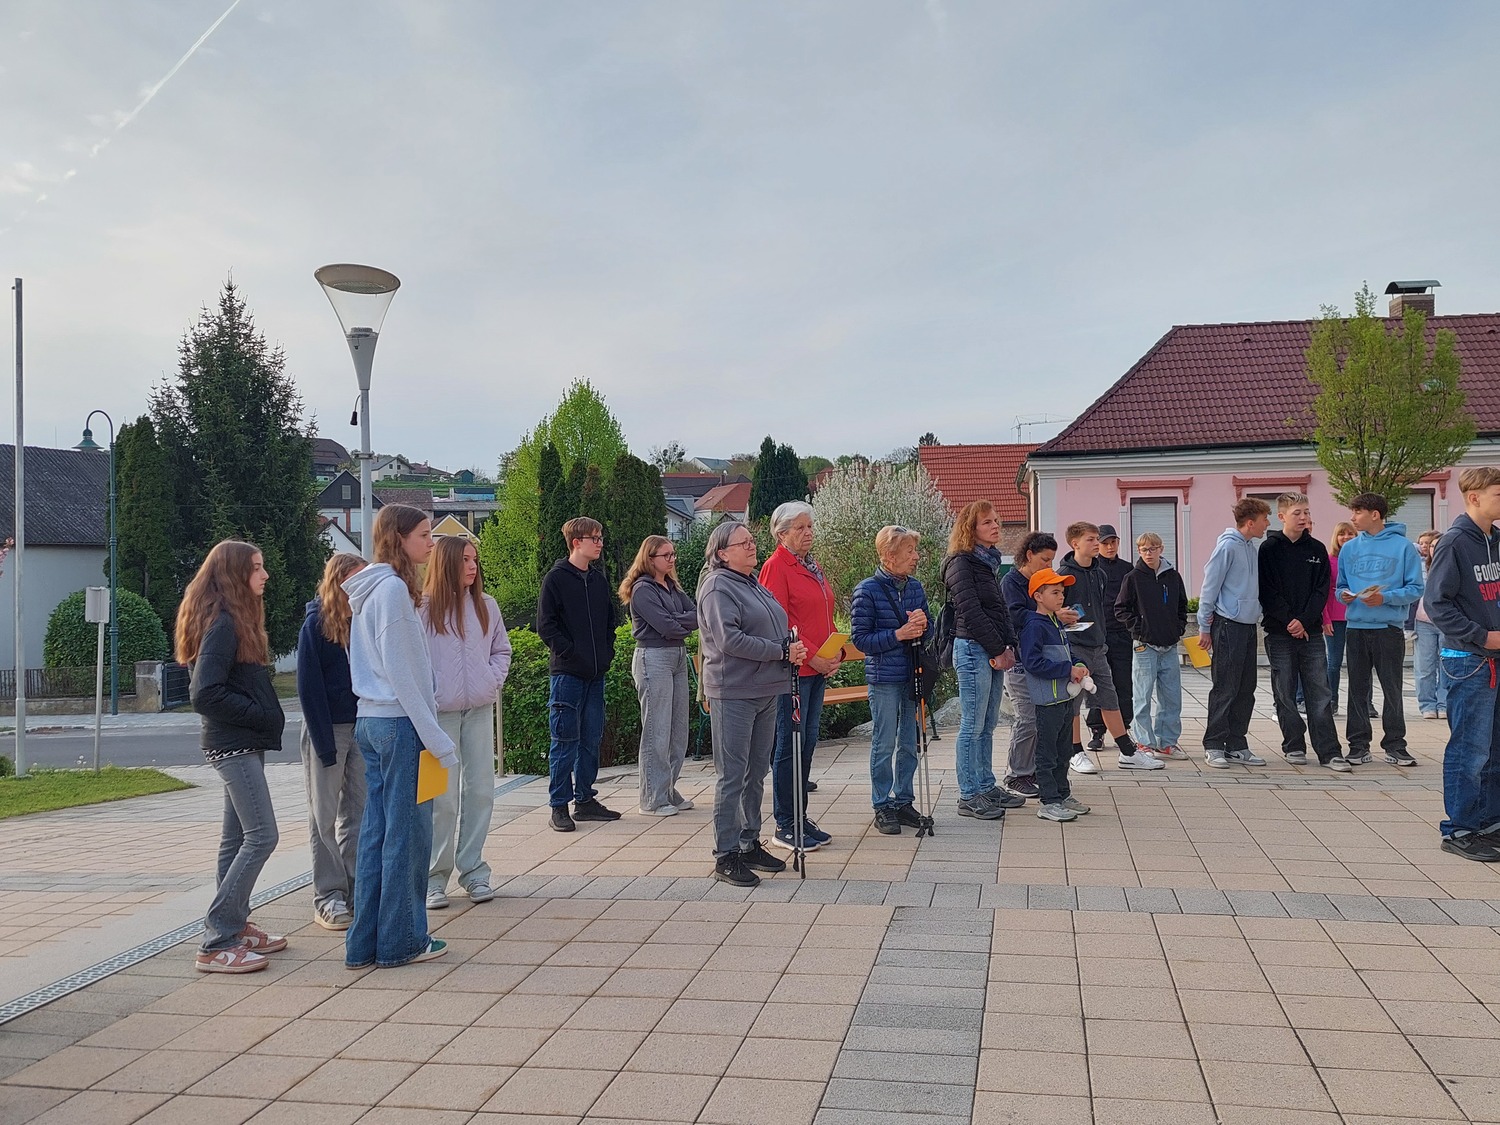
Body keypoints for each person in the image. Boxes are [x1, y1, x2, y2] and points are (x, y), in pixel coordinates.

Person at [343, 503, 457, 968]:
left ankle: (365, 944)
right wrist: (437, 739)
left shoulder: (371, 588)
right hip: (399, 723)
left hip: (372, 721)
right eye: (424, 535)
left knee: (377, 833)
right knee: (407, 837)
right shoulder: (391, 590)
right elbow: (405, 674)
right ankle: (403, 941)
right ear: (399, 538)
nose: (431, 542)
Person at [180, 540, 287, 974]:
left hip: (240, 742)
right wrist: (259, 714)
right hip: (233, 745)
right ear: (234, 574)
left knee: (236, 838)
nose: (265, 575)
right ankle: (217, 939)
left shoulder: (232, 619)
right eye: (257, 568)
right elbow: (204, 692)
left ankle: (235, 926)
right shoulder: (223, 623)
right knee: (263, 836)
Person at [697, 521, 804, 886]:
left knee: (756, 772)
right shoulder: (717, 586)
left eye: (751, 540)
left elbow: (771, 626)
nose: (751, 546)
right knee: (732, 775)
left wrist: (790, 645)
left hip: (766, 688)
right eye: (742, 543)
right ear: (722, 553)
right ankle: (725, 855)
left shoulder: (753, 582)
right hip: (734, 691)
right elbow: (730, 640)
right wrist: (780, 651)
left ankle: (748, 842)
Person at [422, 536, 513, 909]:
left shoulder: (487, 605)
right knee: (438, 799)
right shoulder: (422, 608)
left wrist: (491, 680)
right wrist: (430, 693)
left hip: (478, 711)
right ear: (445, 563)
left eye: (475, 559)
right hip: (435, 718)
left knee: (481, 792)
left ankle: (474, 871)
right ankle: (432, 879)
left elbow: (501, 649)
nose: (473, 566)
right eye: (464, 560)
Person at [1424, 467, 1500, 861]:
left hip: (1493, 659)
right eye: (1498, 494)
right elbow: (1436, 603)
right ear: (1474, 497)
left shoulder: (1494, 540)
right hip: (1469, 660)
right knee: (1469, 750)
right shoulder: (1454, 542)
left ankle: (1488, 821)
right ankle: (1459, 829)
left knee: (1493, 748)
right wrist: (1482, 635)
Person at [759, 501, 840, 852]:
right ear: (782, 534)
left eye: (810, 526)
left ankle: (800, 815)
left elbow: (824, 612)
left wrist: (834, 651)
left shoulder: (812, 565)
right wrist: (814, 656)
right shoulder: (776, 567)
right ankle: (785, 822)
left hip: (816, 668)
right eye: (800, 528)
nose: (808, 533)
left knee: (806, 743)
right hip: (792, 671)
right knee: (789, 744)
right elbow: (778, 621)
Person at [940, 500, 1025, 820]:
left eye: (997, 521)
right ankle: (968, 794)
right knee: (972, 725)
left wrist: (1010, 645)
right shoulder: (960, 563)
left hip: (992, 649)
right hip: (973, 649)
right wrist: (997, 650)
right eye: (987, 522)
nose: (996, 526)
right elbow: (971, 612)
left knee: (988, 725)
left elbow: (1000, 610)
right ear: (970, 528)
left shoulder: (987, 562)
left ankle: (986, 786)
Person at [296, 551, 367, 932]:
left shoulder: (363, 620)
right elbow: (308, 689)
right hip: (328, 728)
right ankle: (328, 895)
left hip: (362, 726)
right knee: (323, 815)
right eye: (355, 579)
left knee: (359, 811)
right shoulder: (316, 624)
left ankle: (356, 890)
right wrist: (324, 745)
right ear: (339, 581)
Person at [538, 516, 622, 832]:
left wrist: (606, 652)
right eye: (594, 538)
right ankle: (558, 806)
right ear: (576, 542)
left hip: (595, 674)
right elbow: (546, 626)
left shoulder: (598, 580)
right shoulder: (556, 579)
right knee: (565, 740)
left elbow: (610, 622)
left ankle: (585, 800)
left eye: (600, 537)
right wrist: (571, 653)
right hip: (567, 675)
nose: (600, 543)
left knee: (591, 739)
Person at [1058, 522, 1162, 772]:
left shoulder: (1099, 573)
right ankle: (1075, 752)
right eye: (1091, 539)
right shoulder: (1064, 575)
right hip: (1074, 648)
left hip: (1098, 646)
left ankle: (1128, 752)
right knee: (1073, 703)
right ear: (1075, 544)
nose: (1097, 544)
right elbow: (1053, 609)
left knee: (1109, 698)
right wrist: (1060, 616)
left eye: (1098, 539)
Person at [1258, 494, 1349, 772]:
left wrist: (1304, 620)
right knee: (1284, 691)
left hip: (1311, 633)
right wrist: (1289, 621)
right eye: (1297, 512)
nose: (1303, 517)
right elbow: (1267, 590)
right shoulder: (1269, 549)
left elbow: (1321, 591)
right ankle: (1294, 744)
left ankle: (1329, 751)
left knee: (1320, 692)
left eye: (1306, 512)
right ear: (1282, 516)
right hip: (1280, 631)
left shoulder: (1317, 549)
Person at [851, 525, 931, 835]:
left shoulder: (915, 588)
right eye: (910, 551)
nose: (916, 556)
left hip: (911, 675)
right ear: (889, 556)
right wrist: (899, 634)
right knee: (884, 743)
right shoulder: (866, 590)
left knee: (910, 743)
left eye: (914, 550)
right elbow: (861, 640)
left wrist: (924, 625)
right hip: (883, 678)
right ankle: (882, 804)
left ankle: (904, 801)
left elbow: (929, 630)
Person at [1336, 492, 1424, 767]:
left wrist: (1385, 598)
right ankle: (1358, 746)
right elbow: (1340, 586)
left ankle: (1396, 746)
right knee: (1357, 689)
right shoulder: (1349, 548)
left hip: (1388, 628)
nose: (1352, 518)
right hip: (1355, 627)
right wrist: (1344, 596)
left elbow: (1416, 588)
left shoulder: (1404, 547)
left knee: (1392, 688)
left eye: (1358, 512)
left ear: (1375, 514)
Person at [621, 534, 698, 816]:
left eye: (673, 554)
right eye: (666, 555)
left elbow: (697, 615)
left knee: (678, 730)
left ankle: (667, 789)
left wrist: (678, 621)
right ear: (650, 558)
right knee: (658, 730)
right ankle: (652, 798)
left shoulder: (672, 587)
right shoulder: (643, 589)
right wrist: (679, 622)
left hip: (677, 656)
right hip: (653, 657)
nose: (672, 559)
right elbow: (666, 626)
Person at [999, 532, 1080, 798]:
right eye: (1045, 560)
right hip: (1020, 663)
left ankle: (1033, 770)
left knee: (1041, 720)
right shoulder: (1011, 582)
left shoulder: (1042, 590)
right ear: (1029, 555)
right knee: (1028, 718)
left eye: (1051, 560)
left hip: (1039, 663)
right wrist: (1051, 614)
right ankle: (1017, 774)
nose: (1048, 565)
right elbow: (1014, 616)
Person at [1198, 498, 1272, 768]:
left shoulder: (1251, 548)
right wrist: (1204, 626)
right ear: (1250, 522)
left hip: (1248, 625)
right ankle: (1214, 744)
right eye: (1264, 519)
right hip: (1228, 625)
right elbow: (1210, 586)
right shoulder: (1227, 547)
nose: (1267, 524)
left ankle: (1236, 744)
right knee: (1225, 687)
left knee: (1246, 688)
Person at [1021, 567, 1092, 822]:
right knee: (1047, 752)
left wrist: (1079, 664)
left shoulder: (1056, 623)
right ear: (1038, 596)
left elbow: (1067, 654)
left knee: (1064, 751)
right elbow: (1032, 662)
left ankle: (1063, 794)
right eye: (1055, 592)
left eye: (1062, 592)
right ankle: (1049, 801)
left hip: (1064, 698)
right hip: (1047, 701)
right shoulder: (1034, 626)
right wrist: (1067, 669)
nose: (1061, 596)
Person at [1114, 532, 1188, 760]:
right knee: (1142, 696)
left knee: (1172, 696)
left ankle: (1167, 742)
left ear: (1161, 549)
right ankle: (1144, 742)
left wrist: (1178, 628)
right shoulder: (1133, 578)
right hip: (1144, 646)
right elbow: (1121, 609)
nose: (1149, 553)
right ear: (1139, 551)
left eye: (1153, 548)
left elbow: (1182, 606)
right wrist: (1140, 629)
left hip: (1169, 645)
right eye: (1144, 549)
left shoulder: (1173, 577)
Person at [1085, 524, 1135, 753]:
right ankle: (1097, 731)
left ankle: (1124, 729)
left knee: (1123, 684)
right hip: (1099, 636)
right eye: (1105, 543)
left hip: (1122, 635)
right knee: (1098, 685)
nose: (1109, 546)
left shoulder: (1127, 569)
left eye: (1113, 542)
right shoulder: (1093, 569)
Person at [1413, 529, 1448, 720]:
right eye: (1428, 545)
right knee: (1425, 666)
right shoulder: (1418, 565)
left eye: (1435, 545)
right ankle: (1427, 704)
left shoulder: (1449, 564)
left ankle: (1444, 704)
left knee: (1445, 665)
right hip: (1423, 623)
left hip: (1445, 623)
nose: (1430, 548)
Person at [1325, 521, 1358, 714]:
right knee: (1334, 662)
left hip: (1357, 616)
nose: (1345, 537)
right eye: (1341, 534)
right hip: (1335, 617)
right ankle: (1331, 700)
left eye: (1350, 534)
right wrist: (1325, 619)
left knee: (1359, 663)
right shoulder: (1329, 560)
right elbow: (1323, 591)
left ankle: (1364, 702)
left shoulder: (1360, 558)